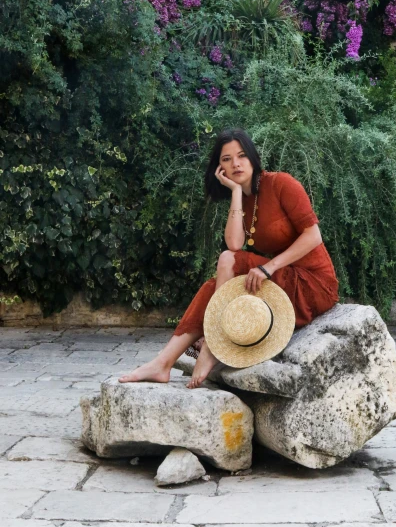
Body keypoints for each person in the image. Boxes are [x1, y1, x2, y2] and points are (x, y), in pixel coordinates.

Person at [119, 128, 339, 388]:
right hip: (283, 279)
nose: (235, 163)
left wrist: (268, 268)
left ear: (253, 158)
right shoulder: (244, 199)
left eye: (242, 155)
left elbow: (313, 236)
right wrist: (235, 192)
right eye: (226, 159)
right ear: (219, 168)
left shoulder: (281, 184)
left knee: (227, 261)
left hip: (313, 284)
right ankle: (163, 363)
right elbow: (235, 244)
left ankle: (212, 348)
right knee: (214, 286)